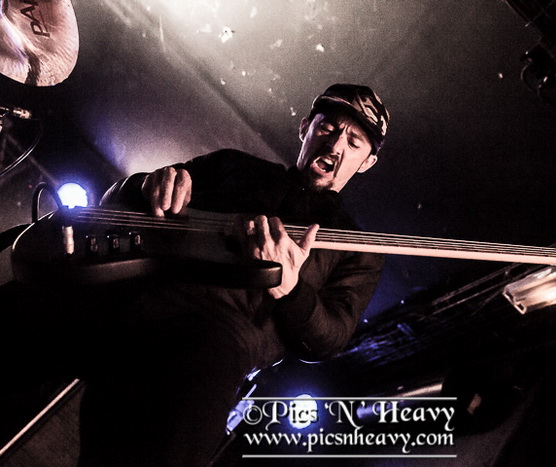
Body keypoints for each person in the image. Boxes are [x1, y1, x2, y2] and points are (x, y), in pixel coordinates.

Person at [0, 83, 389, 466]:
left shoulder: (358, 248)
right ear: (305, 127)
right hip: (125, 290)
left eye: (354, 142)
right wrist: (148, 184)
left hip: (209, 344)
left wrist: (290, 288)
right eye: (328, 127)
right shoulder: (234, 165)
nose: (335, 144)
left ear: (367, 162)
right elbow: (115, 202)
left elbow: (329, 338)